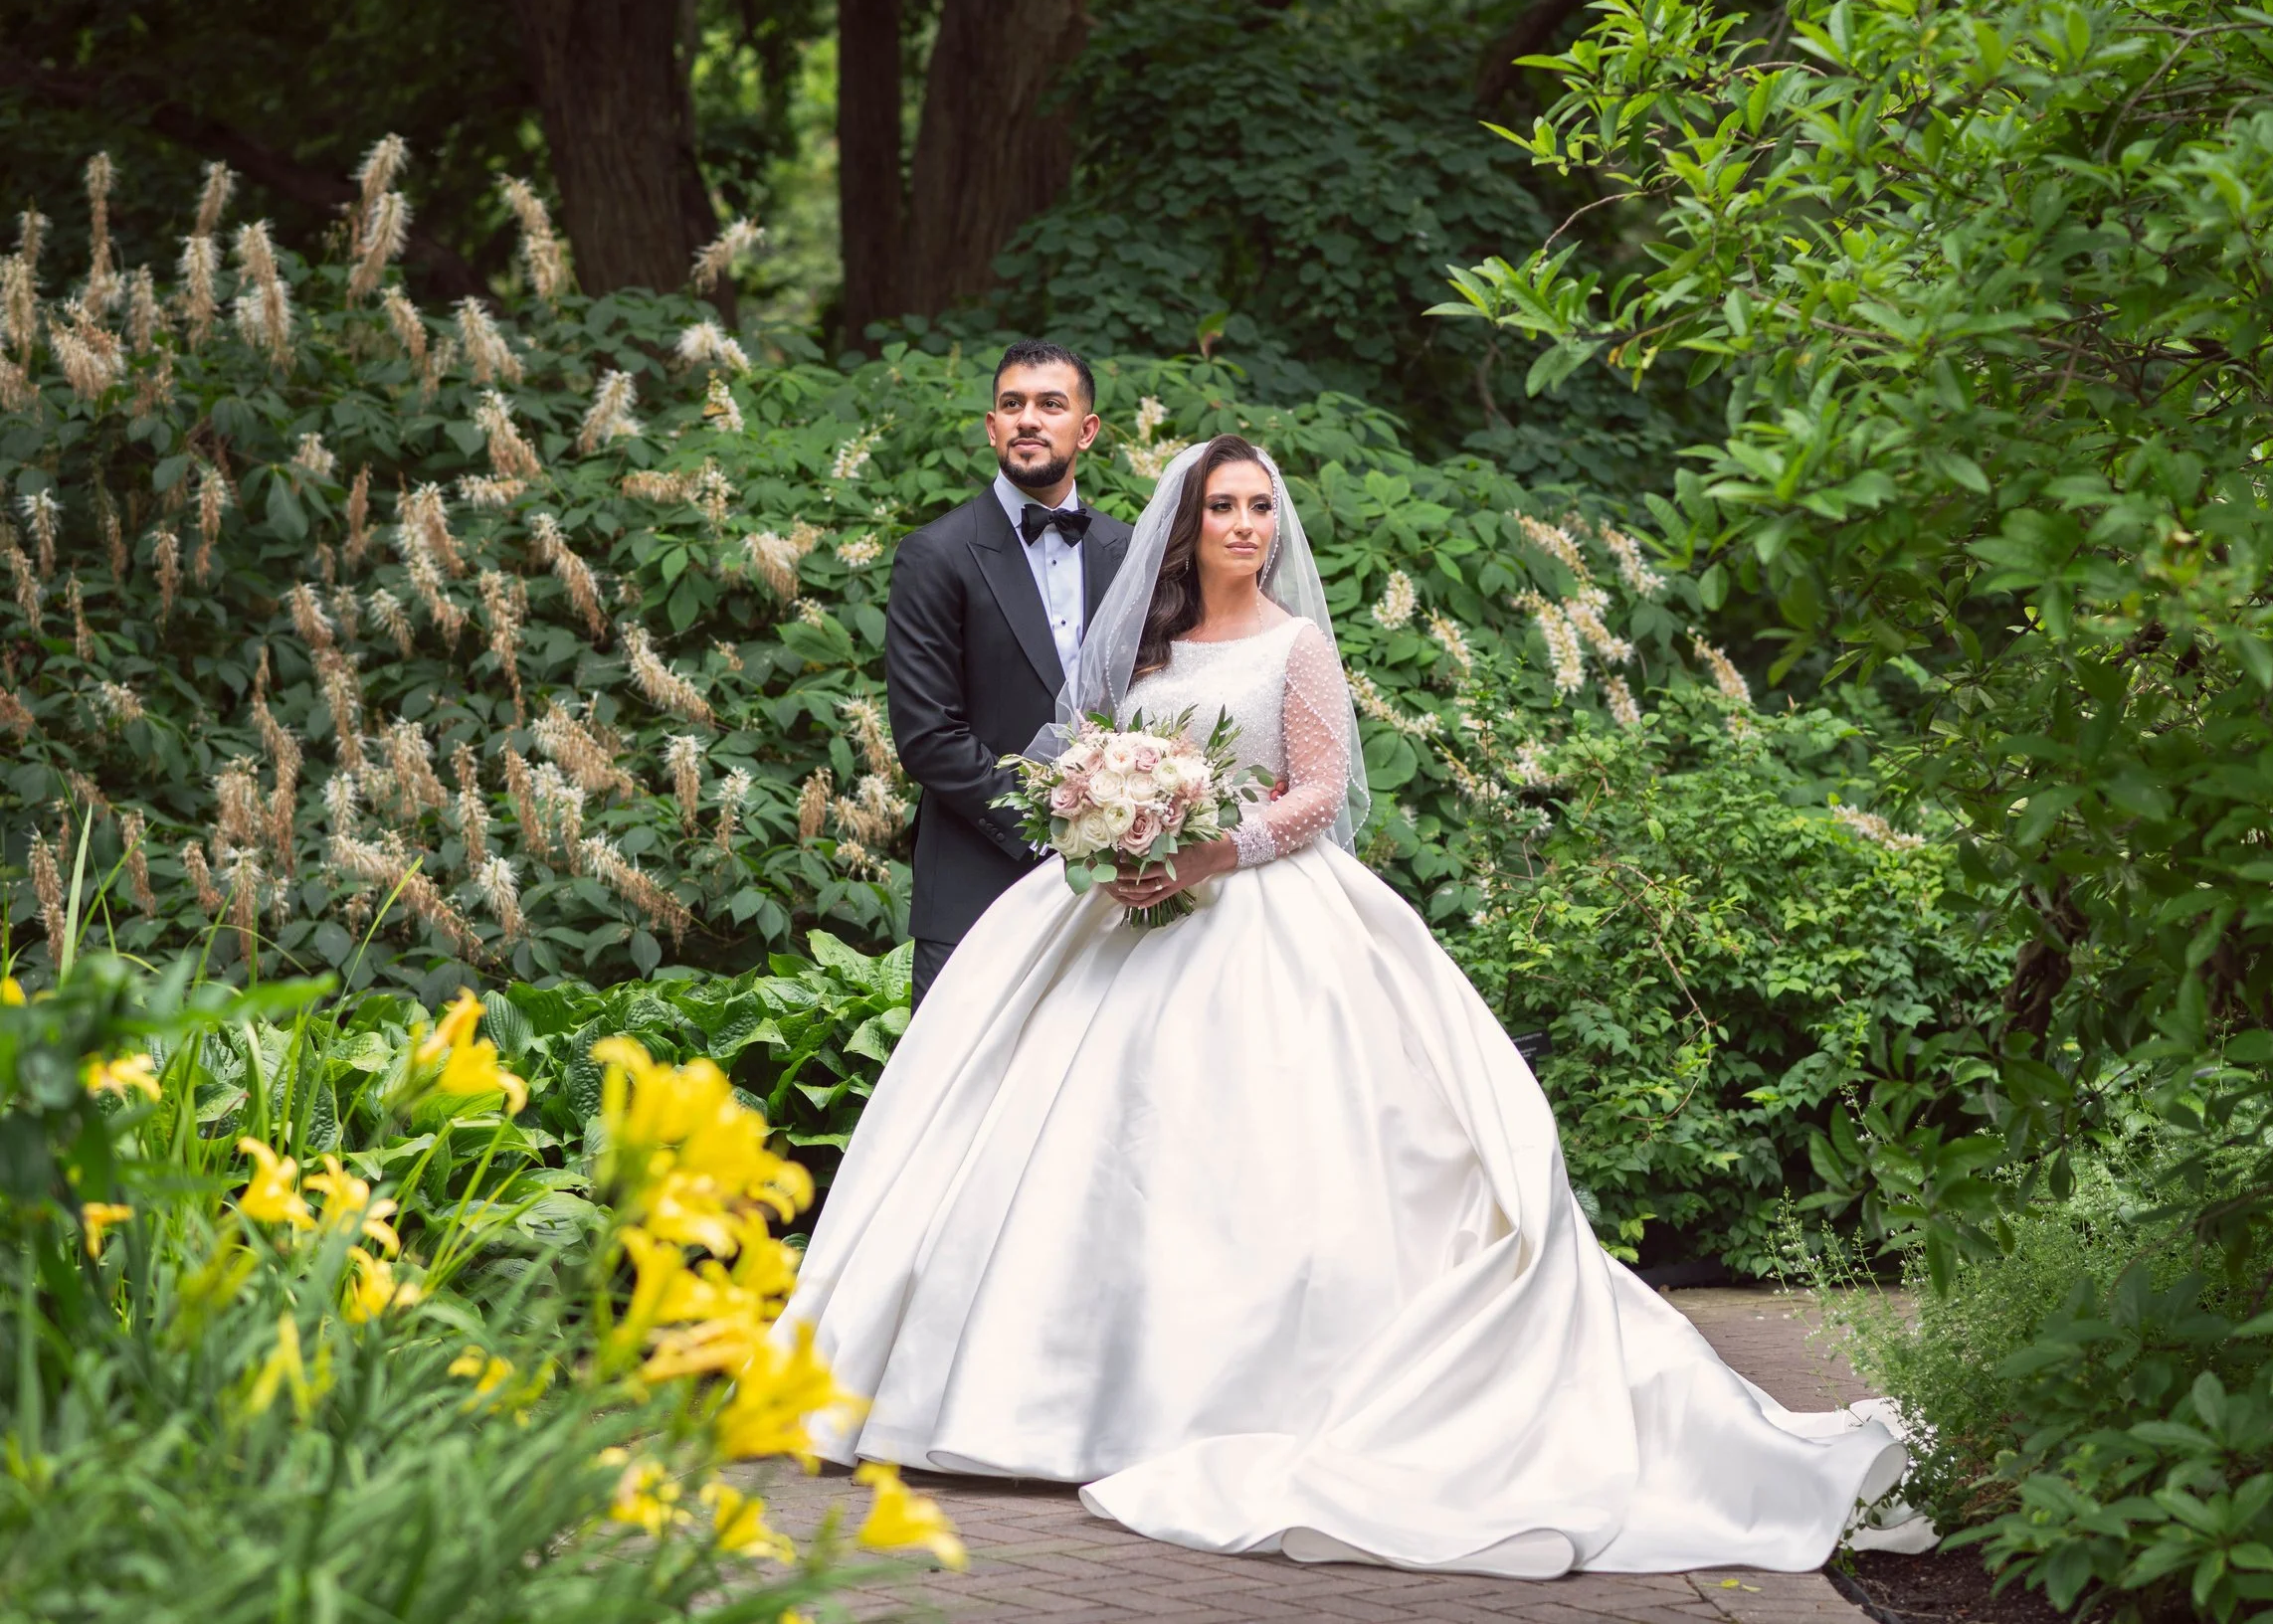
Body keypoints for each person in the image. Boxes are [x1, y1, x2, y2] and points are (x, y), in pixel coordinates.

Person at [777, 437, 1930, 1577]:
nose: (1244, 524)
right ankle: (1033, 1395)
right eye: (1223, 506)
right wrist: (1111, 832)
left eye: (1259, 507)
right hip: (1118, 921)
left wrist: (1209, 850)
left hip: (1266, 917)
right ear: (1186, 525)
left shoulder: (1299, 646)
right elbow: (1089, 764)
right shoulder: (1142, 652)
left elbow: (1321, 795)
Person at [882, 339, 1134, 1003]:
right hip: (976, 887)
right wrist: (1058, 826)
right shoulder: (934, 555)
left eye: (1050, 404)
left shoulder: (1133, 553)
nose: (1029, 419)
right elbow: (928, 736)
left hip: (1117, 891)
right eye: (1013, 404)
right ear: (992, 426)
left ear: (1086, 430)